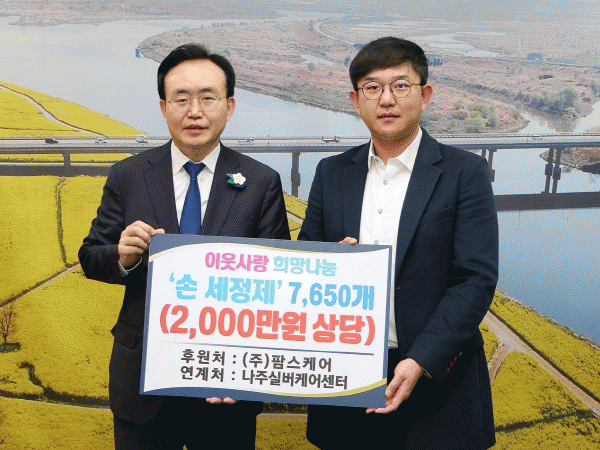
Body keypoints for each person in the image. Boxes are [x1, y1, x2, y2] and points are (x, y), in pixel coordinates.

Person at [79, 43, 290, 450]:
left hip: (227, 385)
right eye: (181, 99)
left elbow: (277, 283)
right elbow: (91, 256)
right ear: (163, 107)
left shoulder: (261, 182)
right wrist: (122, 257)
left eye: (208, 98)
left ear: (229, 106)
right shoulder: (129, 175)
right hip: (142, 385)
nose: (195, 112)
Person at [299, 37, 498, 450]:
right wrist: (331, 264)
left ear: (425, 95)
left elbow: (475, 279)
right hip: (346, 378)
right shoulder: (331, 172)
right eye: (372, 88)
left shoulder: (465, 173)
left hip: (437, 384)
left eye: (400, 85)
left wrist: (422, 358)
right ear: (355, 100)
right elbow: (305, 266)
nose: (386, 99)